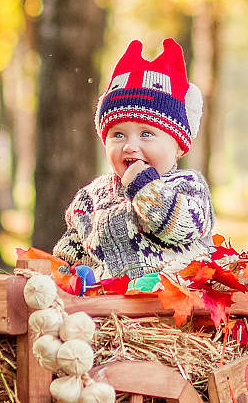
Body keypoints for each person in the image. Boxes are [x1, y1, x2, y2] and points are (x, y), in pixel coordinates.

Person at [54, 37, 214, 280]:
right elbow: (70, 250)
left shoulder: (188, 187)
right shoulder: (91, 198)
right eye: (118, 135)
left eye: (147, 134)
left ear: (179, 148)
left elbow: (182, 227)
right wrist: (58, 272)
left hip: (174, 299)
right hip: (109, 306)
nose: (130, 146)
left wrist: (145, 188)